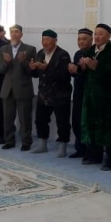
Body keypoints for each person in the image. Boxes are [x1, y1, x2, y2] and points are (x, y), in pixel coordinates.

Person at [80, 23, 111, 171]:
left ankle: (110, 160)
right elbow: (83, 73)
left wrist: (96, 67)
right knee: (91, 126)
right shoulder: (90, 51)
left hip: (107, 98)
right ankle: (94, 156)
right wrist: (82, 67)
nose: (97, 37)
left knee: (108, 129)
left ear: (109, 36)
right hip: (90, 96)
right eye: (95, 34)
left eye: (100, 34)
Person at [30, 29, 72, 157]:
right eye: (43, 40)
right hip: (43, 95)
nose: (45, 43)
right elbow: (36, 75)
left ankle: (62, 147)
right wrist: (32, 69)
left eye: (48, 40)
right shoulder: (40, 53)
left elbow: (64, 77)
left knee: (62, 122)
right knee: (40, 120)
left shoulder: (63, 55)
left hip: (60, 95)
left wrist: (47, 68)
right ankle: (42, 145)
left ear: (55, 41)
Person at [0, 24, 37, 151]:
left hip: (23, 89)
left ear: (21, 34)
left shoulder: (30, 49)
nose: (14, 34)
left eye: (16, 32)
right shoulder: (3, 49)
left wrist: (24, 61)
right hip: (7, 90)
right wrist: (6, 62)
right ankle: (9, 140)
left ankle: (26, 142)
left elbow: (32, 72)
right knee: (8, 118)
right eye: (12, 32)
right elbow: (0, 70)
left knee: (25, 118)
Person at [68, 28, 93, 158]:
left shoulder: (94, 53)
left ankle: (89, 151)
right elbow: (77, 73)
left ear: (91, 40)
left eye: (84, 39)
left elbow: (91, 76)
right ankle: (80, 148)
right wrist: (73, 69)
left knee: (87, 123)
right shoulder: (78, 54)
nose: (81, 41)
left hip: (89, 94)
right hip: (78, 93)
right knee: (76, 122)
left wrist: (79, 70)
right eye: (79, 39)